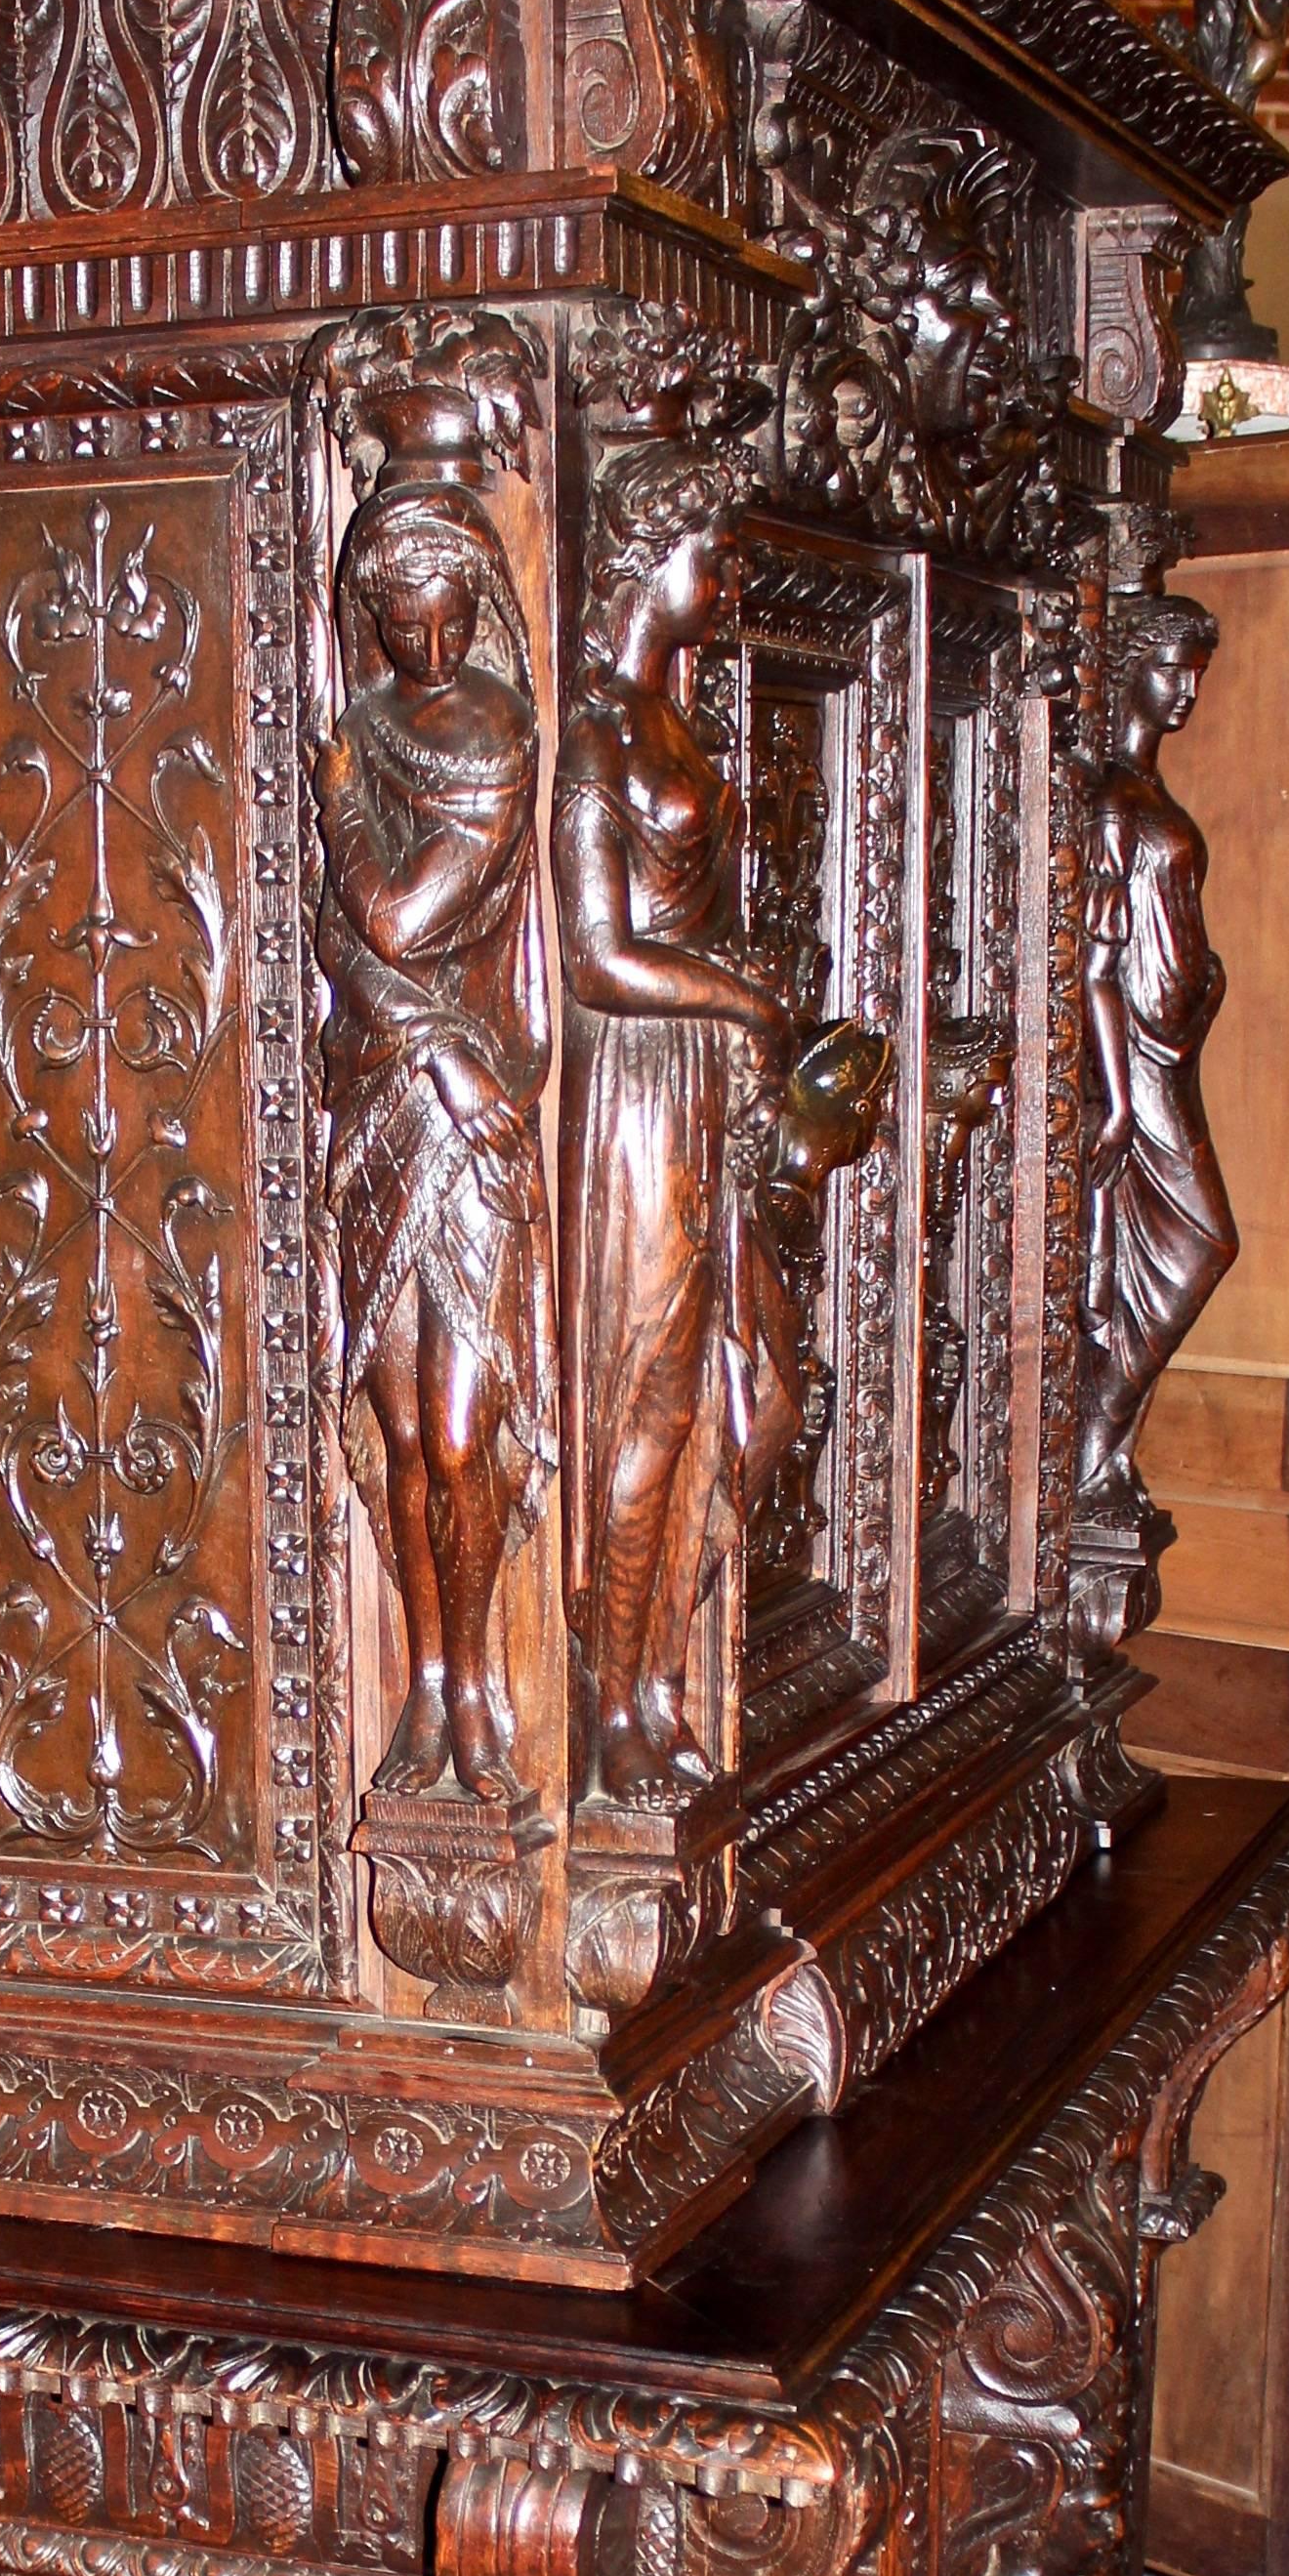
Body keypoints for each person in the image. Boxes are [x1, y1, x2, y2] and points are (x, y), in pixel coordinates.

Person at [553, 447, 796, 1809]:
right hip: (639, 1091)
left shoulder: (672, 722)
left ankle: (652, 1674)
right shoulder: (596, 733)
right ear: (654, 559)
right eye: (714, 547)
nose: (731, 573)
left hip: (700, 1084)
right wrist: (740, 995)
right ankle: (614, 1705)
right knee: (644, 1401)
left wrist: (742, 1012)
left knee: (747, 1394)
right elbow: (596, 956)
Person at [313, 487, 554, 1806]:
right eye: (400, 626)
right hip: (396, 1104)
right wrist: (434, 1048)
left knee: (464, 1429)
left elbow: (399, 917)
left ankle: (480, 1671)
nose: (427, 647)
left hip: (476, 1129)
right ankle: (428, 1683)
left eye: (446, 617)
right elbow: (339, 943)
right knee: (402, 1427)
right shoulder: (365, 721)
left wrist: (347, 810)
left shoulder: (495, 736)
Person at [1078, 589, 1236, 1498]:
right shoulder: (1112, 803)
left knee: (1190, 1251)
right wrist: (1121, 1100)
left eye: (1197, 677)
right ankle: (1095, 1431)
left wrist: (1205, 984)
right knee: (1201, 1244)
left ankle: (1109, 1448)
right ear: (1132, 666)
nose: (1186, 694)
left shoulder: (1147, 792)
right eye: (1172, 671)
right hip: (1135, 1065)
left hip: (1171, 1052)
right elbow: (1098, 968)